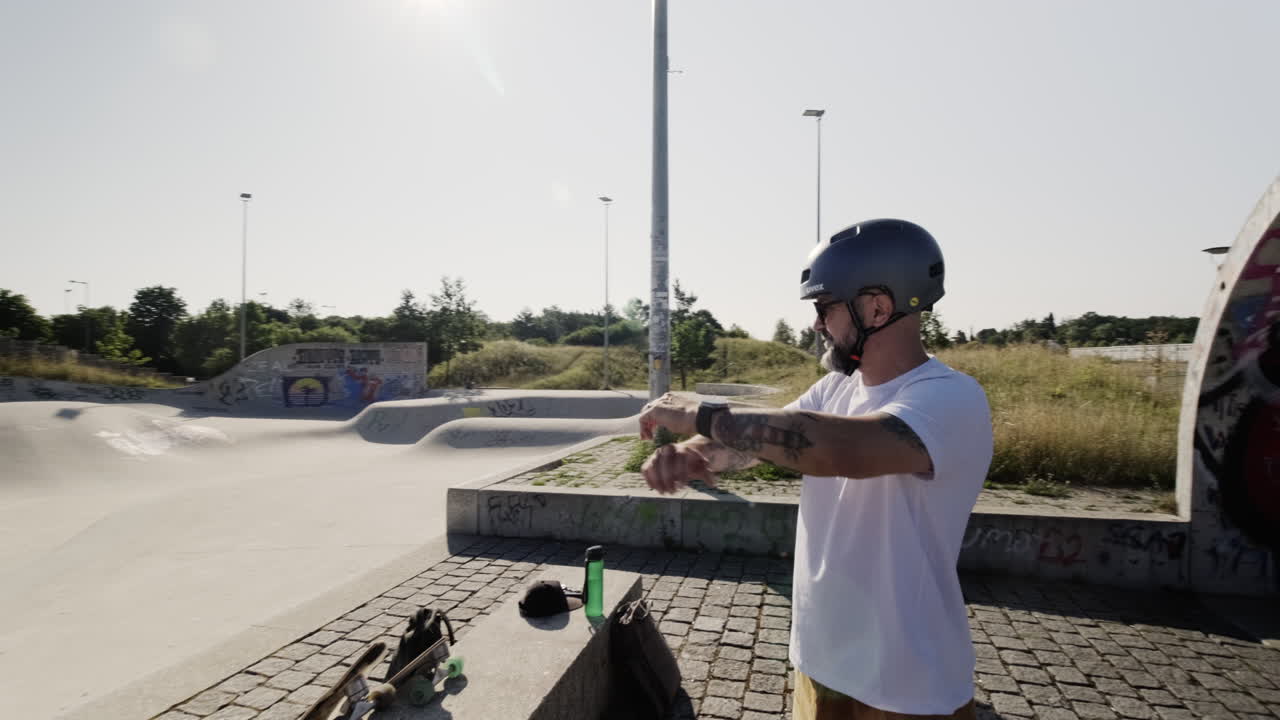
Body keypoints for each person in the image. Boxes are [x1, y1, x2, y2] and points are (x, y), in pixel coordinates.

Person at [638, 218, 993, 720]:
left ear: (877, 306)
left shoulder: (951, 397)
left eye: (825, 307)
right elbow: (763, 442)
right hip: (822, 661)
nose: (815, 323)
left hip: (906, 686)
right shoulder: (836, 389)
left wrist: (703, 414)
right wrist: (696, 454)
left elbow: (835, 449)